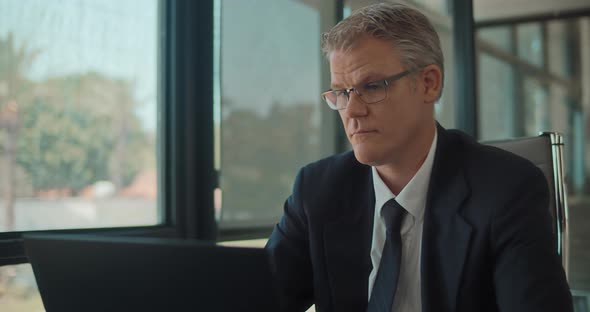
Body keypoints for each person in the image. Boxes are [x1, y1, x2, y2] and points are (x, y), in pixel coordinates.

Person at [265, 2, 572, 312]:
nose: (352, 111)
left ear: (429, 83)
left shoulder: (506, 190)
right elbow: (258, 297)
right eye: (341, 93)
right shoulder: (318, 189)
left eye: (371, 87)